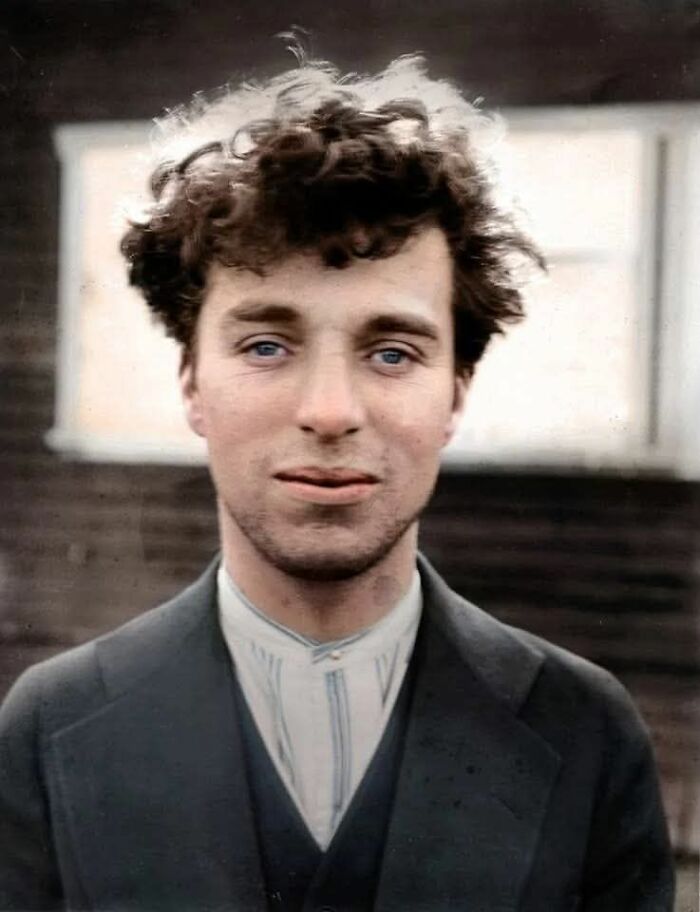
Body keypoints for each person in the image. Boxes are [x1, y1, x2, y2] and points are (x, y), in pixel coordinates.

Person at [0, 55, 674, 911]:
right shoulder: (50, 724)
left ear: (455, 395)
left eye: (392, 352)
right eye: (266, 346)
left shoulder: (583, 729)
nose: (328, 411)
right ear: (191, 385)